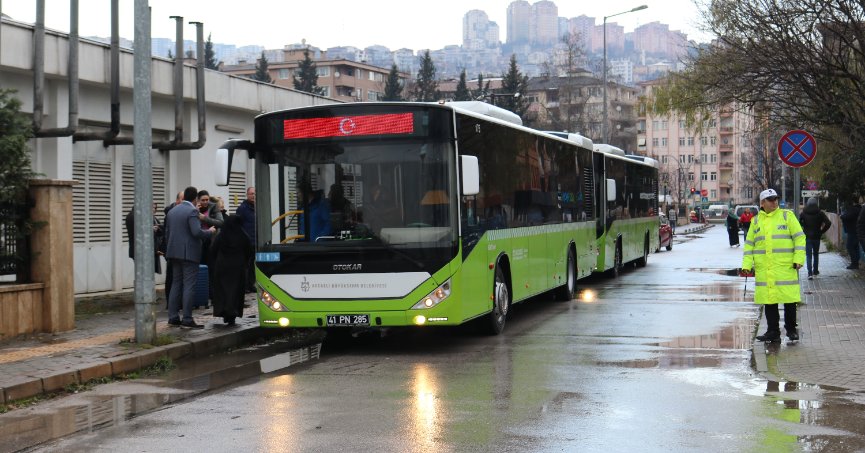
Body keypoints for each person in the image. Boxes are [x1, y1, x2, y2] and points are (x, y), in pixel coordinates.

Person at [740, 188, 806, 342]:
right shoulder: (756, 221)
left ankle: (791, 330)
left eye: (775, 199)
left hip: (785, 267)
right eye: (770, 200)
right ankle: (773, 332)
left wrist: (798, 259)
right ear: (762, 203)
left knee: (789, 300)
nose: (774, 202)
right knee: (769, 301)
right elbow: (749, 245)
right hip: (765, 268)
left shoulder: (787, 216)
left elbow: (799, 237)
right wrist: (746, 265)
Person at [164, 186, 215, 329]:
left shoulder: (172, 211)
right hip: (189, 254)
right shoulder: (192, 211)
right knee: (189, 285)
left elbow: (168, 232)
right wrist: (210, 231)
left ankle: (173, 317)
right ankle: (187, 318)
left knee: (176, 284)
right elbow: (196, 232)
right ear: (195, 199)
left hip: (174, 252)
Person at [209, 214, 252, 326]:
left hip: (222, 266)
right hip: (238, 267)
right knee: (235, 291)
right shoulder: (243, 235)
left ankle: (223, 311)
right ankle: (232, 313)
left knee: (222, 290)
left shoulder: (222, 235)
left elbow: (213, 250)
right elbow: (249, 251)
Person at [125, 203, 164, 274]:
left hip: (139, 249)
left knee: (143, 272)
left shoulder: (133, 215)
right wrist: (151, 229)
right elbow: (138, 232)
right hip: (140, 250)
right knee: (144, 273)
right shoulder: (135, 216)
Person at [798, 197, 832, 279]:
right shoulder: (820, 213)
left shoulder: (803, 213)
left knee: (808, 255)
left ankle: (809, 273)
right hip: (817, 236)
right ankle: (815, 271)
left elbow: (798, 222)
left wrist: (804, 226)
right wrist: (822, 231)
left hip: (807, 237)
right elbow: (828, 223)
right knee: (816, 254)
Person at [235, 187, 257, 293]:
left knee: (253, 265)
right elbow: (238, 224)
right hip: (246, 241)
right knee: (245, 265)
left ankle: (251, 284)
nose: (253, 195)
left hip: (256, 241)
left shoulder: (258, 208)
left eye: (255, 193)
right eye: (251, 194)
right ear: (247, 195)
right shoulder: (242, 209)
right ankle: (244, 286)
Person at [840, 201, 861, 269]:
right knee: (855, 247)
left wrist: (841, 216)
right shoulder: (858, 209)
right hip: (856, 231)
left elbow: (846, 217)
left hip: (852, 231)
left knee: (849, 246)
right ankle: (856, 263)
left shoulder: (853, 210)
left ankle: (854, 263)